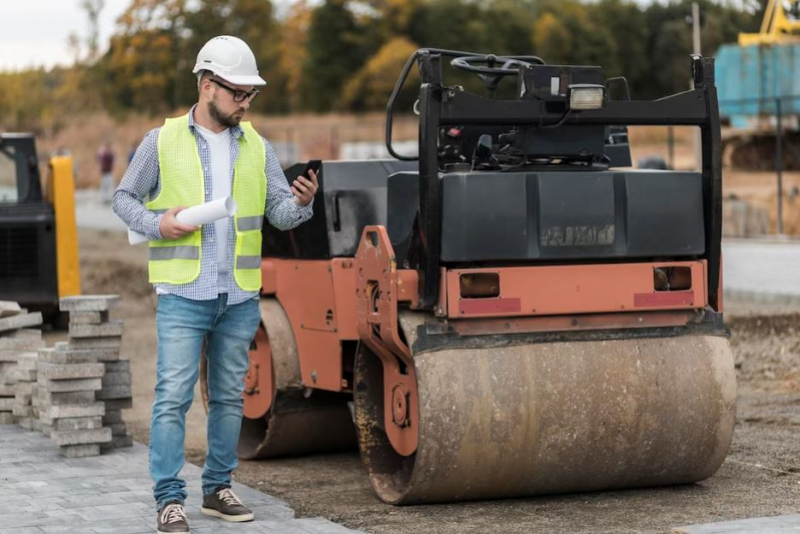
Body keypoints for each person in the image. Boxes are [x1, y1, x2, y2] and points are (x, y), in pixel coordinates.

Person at [112, 35, 318, 534]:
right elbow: (123, 199)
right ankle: (168, 499)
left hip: (239, 294)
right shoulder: (161, 141)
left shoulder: (258, 148)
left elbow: (279, 215)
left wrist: (303, 202)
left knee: (229, 396)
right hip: (183, 292)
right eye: (238, 94)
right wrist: (161, 224)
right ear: (208, 86)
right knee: (172, 397)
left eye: (251, 95)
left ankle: (218, 487)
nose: (246, 104)